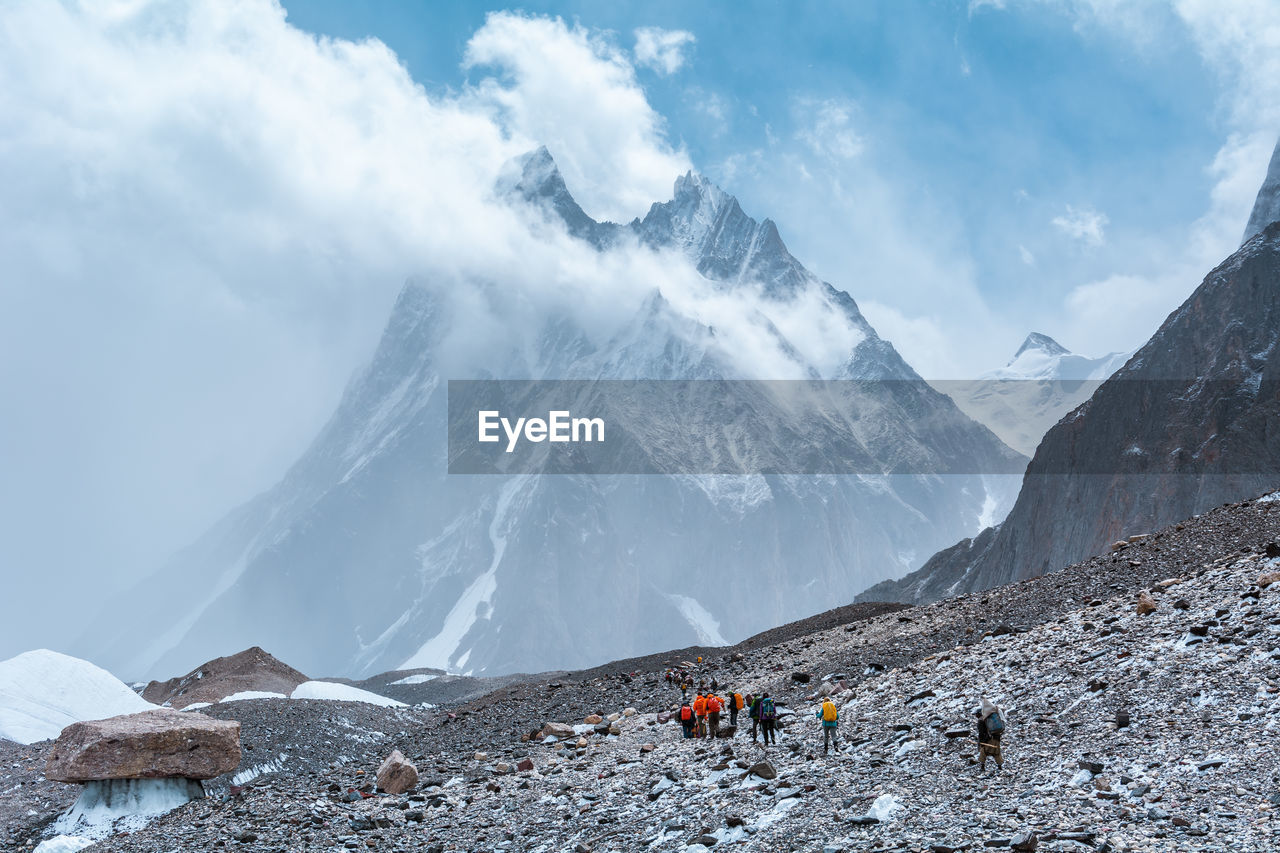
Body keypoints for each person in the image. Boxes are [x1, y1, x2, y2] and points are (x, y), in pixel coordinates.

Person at [976, 698, 1005, 772]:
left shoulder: (981, 720)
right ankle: (1000, 767)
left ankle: (982, 767)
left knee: (983, 753)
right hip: (996, 738)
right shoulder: (990, 717)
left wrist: (981, 742)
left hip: (987, 739)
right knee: (997, 753)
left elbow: (981, 732)